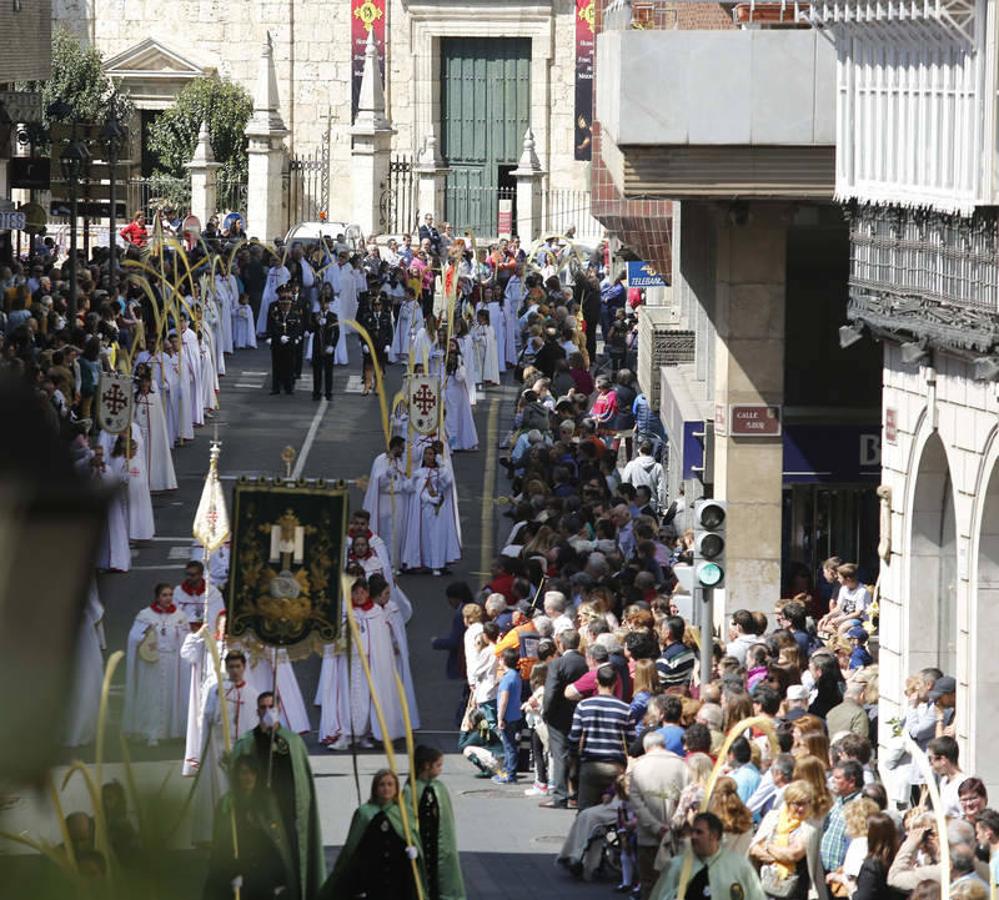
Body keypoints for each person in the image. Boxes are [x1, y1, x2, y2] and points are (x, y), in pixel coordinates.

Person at [231, 691, 325, 900]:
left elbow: (302, 782)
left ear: (279, 709)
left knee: (292, 863)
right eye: (263, 708)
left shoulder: (293, 742)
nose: (267, 711)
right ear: (257, 711)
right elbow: (238, 779)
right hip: (259, 816)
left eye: (271, 707)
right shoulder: (248, 742)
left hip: (289, 813)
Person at [318, 769, 425, 900]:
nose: (386, 788)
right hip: (373, 874)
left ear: (396, 788)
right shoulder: (364, 813)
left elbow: (413, 838)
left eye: (390, 784)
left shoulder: (403, 812)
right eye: (382, 784)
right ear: (375, 788)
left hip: (399, 875)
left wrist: (414, 850)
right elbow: (353, 847)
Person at [203, 754, 298, 900]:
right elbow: (221, 842)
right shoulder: (228, 803)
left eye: (253, 773)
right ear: (237, 776)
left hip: (264, 868)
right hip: (237, 865)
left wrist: (278, 877)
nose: (249, 777)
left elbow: (275, 840)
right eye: (244, 773)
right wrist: (231, 871)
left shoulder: (266, 800)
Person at [190, 650, 258, 846]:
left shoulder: (252, 694)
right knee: (221, 791)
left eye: (238, 666)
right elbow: (208, 719)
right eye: (231, 667)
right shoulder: (215, 691)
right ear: (226, 668)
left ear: (244, 667)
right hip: (219, 750)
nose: (235, 671)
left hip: (242, 752)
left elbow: (254, 725)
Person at [123, 582, 190, 746]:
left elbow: (186, 639)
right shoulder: (145, 615)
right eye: (164, 595)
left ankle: (168, 732)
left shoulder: (180, 616)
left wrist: (180, 633)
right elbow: (133, 637)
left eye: (170, 595)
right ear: (157, 597)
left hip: (172, 662)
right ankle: (149, 731)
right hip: (151, 662)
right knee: (151, 696)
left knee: (170, 696)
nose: (168, 598)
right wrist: (144, 634)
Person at [629, 730, 691, 898]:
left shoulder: (639, 767)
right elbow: (688, 799)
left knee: (649, 882)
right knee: (674, 884)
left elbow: (637, 804)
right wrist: (674, 823)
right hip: (676, 835)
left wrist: (655, 827)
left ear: (645, 747)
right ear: (664, 745)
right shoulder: (682, 765)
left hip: (648, 836)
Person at [650, 811, 766, 900]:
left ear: (714, 835)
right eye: (692, 831)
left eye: (699, 832)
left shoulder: (739, 867)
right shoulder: (676, 866)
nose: (693, 836)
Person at [569, 663, 636, 810]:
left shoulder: (583, 706)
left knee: (585, 811)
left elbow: (574, 737)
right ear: (615, 683)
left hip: (590, 765)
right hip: (615, 767)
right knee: (616, 811)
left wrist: (574, 760)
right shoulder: (625, 709)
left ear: (596, 682)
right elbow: (631, 742)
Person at [403, 745, 466, 900]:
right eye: (438, 765)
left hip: (437, 841)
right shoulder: (411, 789)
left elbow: (446, 819)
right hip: (421, 841)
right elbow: (406, 818)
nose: (440, 769)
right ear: (426, 765)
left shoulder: (439, 788)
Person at [749, 780, 829, 900]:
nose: (801, 809)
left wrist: (767, 846)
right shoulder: (773, 818)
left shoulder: (811, 826)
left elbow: (793, 855)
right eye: (797, 804)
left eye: (806, 803)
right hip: (767, 885)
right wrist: (777, 857)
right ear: (788, 802)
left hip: (796, 889)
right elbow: (753, 848)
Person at [541, 628, 588, 809]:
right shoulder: (585, 662)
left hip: (559, 716)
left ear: (561, 644)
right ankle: (575, 793)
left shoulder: (557, 664)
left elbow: (550, 692)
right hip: (580, 713)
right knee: (576, 753)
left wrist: (546, 712)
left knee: (560, 754)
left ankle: (560, 796)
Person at [400, 444, 460, 576]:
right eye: (426, 454)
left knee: (437, 537)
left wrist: (441, 464)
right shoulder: (419, 473)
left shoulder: (441, 472)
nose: (428, 456)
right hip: (423, 510)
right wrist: (402, 476)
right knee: (425, 537)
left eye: (431, 454)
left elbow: (448, 482)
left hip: (438, 510)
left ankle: (437, 565)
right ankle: (423, 563)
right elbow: (408, 487)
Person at [363, 436, 410, 569]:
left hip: (398, 500)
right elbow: (377, 483)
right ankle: (383, 562)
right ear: (395, 447)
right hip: (385, 500)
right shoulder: (381, 460)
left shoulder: (399, 461)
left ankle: (395, 563)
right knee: (386, 533)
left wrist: (410, 484)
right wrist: (387, 475)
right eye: (401, 448)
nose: (403, 451)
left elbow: (402, 480)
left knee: (397, 533)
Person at [820, 760, 864, 874]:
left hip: (842, 873)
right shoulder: (838, 801)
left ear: (851, 781)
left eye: (837, 778)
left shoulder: (860, 805)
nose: (832, 781)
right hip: (825, 871)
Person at [493, 647, 524, 784]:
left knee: (509, 746)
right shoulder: (515, 676)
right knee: (510, 745)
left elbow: (504, 699)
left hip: (507, 716)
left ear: (504, 660)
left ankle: (510, 775)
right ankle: (506, 772)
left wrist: (500, 717)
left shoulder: (507, 679)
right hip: (515, 715)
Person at [268, 290, 303, 395]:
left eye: (287, 304)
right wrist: (280, 337)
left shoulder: (294, 315)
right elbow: (272, 327)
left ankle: (289, 388)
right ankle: (276, 388)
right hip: (277, 343)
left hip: (289, 344)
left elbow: (297, 329)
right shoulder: (275, 315)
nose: (285, 306)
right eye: (283, 304)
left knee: (289, 366)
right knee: (277, 366)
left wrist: (289, 337)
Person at [309, 288, 339, 401]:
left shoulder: (333, 316)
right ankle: (316, 392)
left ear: (329, 304)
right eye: (322, 303)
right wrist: (317, 324)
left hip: (328, 346)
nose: (324, 305)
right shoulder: (315, 315)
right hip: (317, 346)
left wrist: (333, 346)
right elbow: (310, 329)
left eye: (326, 303)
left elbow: (337, 333)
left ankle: (328, 392)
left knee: (328, 372)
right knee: (317, 371)